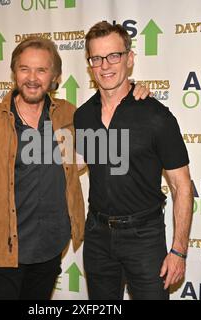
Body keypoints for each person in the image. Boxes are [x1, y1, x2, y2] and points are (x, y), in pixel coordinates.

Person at [0, 37, 149, 300]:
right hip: (1, 252)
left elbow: (109, 115)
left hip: (49, 249)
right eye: (25, 69)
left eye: (41, 70)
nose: (32, 78)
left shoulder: (71, 116)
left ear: (55, 77)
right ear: (14, 72)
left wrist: (135, 92)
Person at [74, 22, 193, 300]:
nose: (105, 65)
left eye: (114, 55)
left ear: (129, 58)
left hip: (145, 238)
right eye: (96, 58)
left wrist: (178, 251)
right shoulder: (82, 116)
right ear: (89, 64)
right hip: (97, 236)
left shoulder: (155, 115)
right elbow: (73, 163)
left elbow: (182, 187)